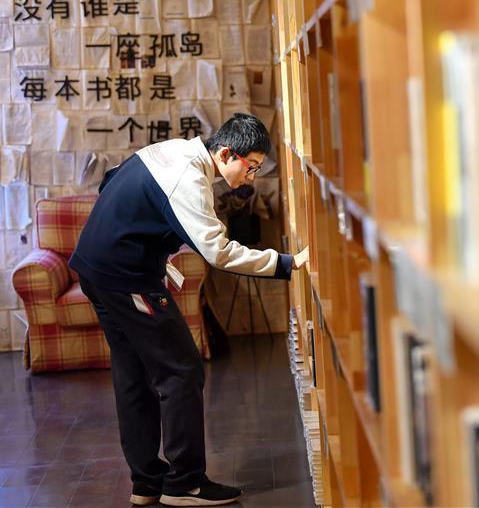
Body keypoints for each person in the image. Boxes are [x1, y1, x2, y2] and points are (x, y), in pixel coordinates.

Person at [69, 113, 309, 507]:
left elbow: (111, 179)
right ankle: (185, 484)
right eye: (250, 167)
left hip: (98, 270)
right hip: (124, 278)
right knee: (181, 369)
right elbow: (216, 250)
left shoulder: (174, 150)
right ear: (226, 152)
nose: (250, 177)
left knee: (133, 374)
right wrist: (285, 263)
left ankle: (147, 483)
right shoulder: (189, 177)